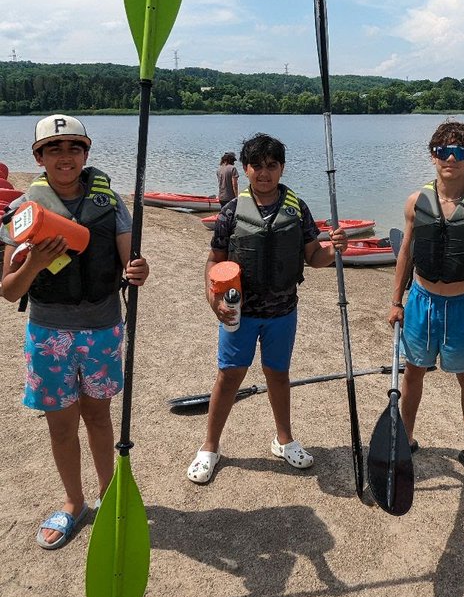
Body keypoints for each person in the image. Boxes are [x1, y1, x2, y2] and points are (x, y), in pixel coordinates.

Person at [0, 114, 149, 549]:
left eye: (73, 149)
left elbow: (130, 262)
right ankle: (73, 502)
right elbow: (8, 292)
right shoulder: (21, 212)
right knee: (61, 426)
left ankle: (109, 496)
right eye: (54, 150)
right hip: (49, 331)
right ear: (39, 158)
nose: (65, 158)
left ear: (86, 154)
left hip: (102, 328)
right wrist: (35, 262)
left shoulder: (109, 201)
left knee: (99, 417)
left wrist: (138, 269)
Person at [187, 132, 347, 484]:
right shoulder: (230, 213)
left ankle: (284, 439)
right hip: (239, 313)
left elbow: (314, 257)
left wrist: (335, 250)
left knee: (278, 374)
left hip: (282, 312)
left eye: (271, 166)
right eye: (256, 166)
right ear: (245, 170)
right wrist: (213, 300)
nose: (264, 173)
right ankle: (210, 447)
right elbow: (214, 261)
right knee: (229, 376)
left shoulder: (297, 208)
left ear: (282, 168)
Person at [388, 120, 464, 482]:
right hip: (421, 300)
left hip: (463, 304)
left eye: (459, 152)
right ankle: (405, 438)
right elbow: (406, 251)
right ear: (432, 155)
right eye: (443, 151)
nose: (450, 158)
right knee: (413, 375)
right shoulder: (415, 201)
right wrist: (396, 301)